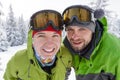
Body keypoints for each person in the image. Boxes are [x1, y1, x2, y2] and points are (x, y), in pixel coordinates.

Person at [3, 10, 72, 80]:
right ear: (32, 39)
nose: (49, 44)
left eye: (55, 36)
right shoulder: (18, 60)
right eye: (41, 36)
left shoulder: (66, 55)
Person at [62, 5, 120, 80]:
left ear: (93, 30)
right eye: (70, 29)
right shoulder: (67, 48)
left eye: (82, 29)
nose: (75, 37)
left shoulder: (115, 52)